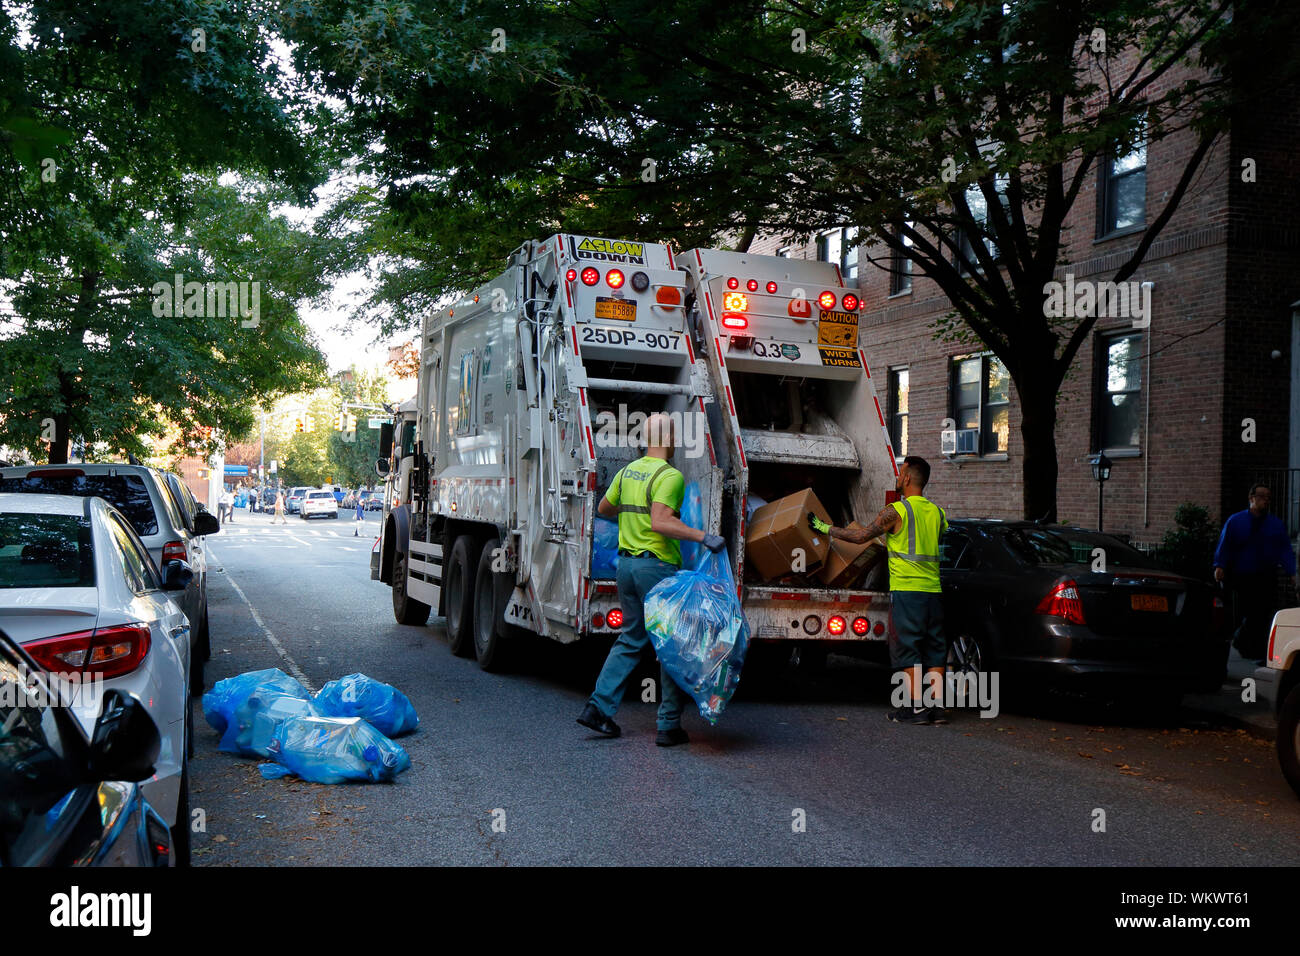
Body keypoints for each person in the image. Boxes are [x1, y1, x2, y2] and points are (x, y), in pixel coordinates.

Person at [577, 412, 726, 747]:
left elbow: (603, 507)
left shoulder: (628, 471)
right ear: (668, 439)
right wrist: (702, 536)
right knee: (671, 644)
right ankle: (668, 725)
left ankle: (598, 709)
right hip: (656, 569)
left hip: (626, 568)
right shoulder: (669, 476)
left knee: (631, 639)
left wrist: (633, 515)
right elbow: (660, 523)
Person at [811, 455, 948, 724]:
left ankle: (916, 709)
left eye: (901, 472)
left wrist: (826, 528)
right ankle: (937, 709)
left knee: (907, 648)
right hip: (934, 591)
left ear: (908, 478)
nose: (898, 477)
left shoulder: (895, 511)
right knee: (935, 649)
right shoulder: (938, 513)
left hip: (908, 592)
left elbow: (861, 536)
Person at [1214, 483, 1298, 664]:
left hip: (1266, 574)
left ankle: (1250, 646)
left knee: (1262, 612)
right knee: (1251, 611)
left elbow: (1284, 549)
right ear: (1251, 498)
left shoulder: (1275, 524)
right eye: (1261, 496)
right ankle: (1244, 642)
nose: (1266, 500)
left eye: (1268, 497)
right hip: (1242, 573)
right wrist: (1219, 565)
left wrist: (1292, 572)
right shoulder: (1236, 521)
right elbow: (1225, 543)